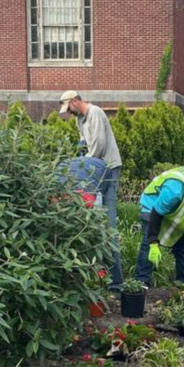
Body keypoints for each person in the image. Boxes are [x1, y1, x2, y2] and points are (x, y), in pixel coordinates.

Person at [60, 91, 123, 291]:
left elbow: (99, 146)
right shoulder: (80, 119)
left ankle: (115, 283)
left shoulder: (95, 112)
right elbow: (84, 145)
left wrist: (86, 165)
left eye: (69, 108)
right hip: (92, 171)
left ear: (75, 101)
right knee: (92, 224)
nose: (69, 113)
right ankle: (97, 280)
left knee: (107, 225)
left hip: (107, 170)